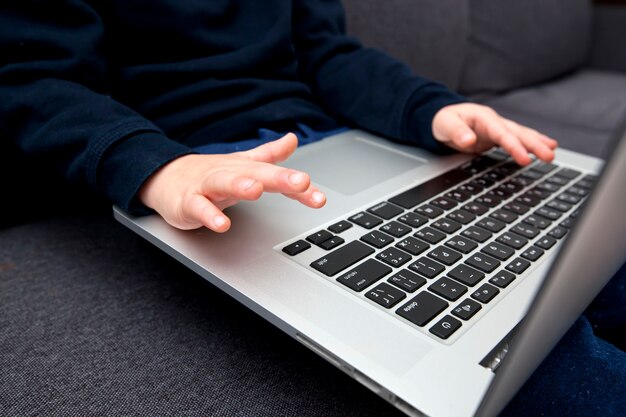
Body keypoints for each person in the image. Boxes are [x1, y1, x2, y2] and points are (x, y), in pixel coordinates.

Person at [0, 1, 623, 416]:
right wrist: (156, 167)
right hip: (202, 162)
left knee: (589, 245)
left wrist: (433, 110)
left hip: (338, 139)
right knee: (532, 362)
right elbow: (31, 77)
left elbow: (329, 52)